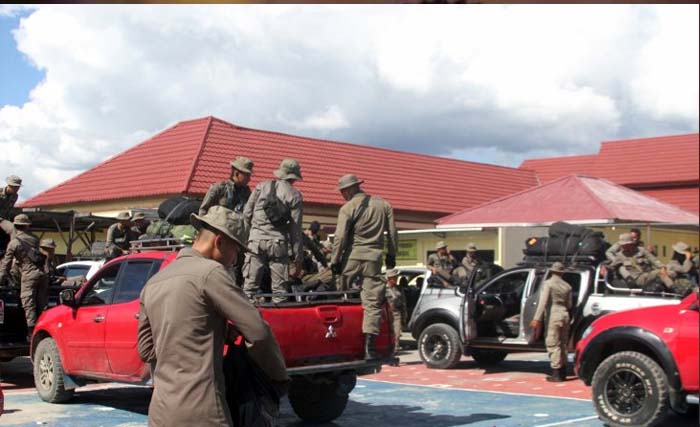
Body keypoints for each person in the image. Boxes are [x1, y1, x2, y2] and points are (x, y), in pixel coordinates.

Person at [137, 206, 288, 427]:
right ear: (218, 242)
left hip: (161, 413)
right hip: (205, 413)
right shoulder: (211, 273)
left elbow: (146, 350)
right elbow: (258, 332)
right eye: (236, 250)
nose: (235, 259)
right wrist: (279, 379)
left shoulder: (153, 283)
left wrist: (215, 332)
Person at [330, 174, 398, 360]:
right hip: (374, 258)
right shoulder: (384, 205)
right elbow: (392, 233)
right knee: (372, 303)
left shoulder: (347, 208)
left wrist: (335, 261)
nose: (342, 195)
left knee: (339, 294)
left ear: (350, 189)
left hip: (352, 257)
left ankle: (338, 339)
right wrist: (391, 255)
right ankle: (369, 347)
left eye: (343, 191)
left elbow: (340, 238)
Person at [243, 159, 304, 303]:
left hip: (255, 242)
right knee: (280, 292)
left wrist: (246, 240)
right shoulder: (295, 195)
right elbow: (295, 230)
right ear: (293, 177)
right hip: (278, 245)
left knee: (249, 289)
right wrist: (298, 259)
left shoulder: (261, 186)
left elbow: (246, 214)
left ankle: (244, 322)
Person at [0, 214, 49, 339]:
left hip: (29, 274)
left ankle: (31, 334)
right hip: (43, 275)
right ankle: (44, 330)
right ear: (27, 225)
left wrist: (1, 280)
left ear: (16, 225)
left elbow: (6, 264)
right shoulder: (35, 239)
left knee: (28, 304)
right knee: (42, 304)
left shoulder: (14, 243)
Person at [529, 262, 572, 382]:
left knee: (553, 343)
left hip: (554, 315)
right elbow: (569, 304)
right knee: (563, 344)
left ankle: (556, 373)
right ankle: (563, 371)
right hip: (565, 314)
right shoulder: (567, 286)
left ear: (552, 271)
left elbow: (543, 302)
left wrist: (536, 318)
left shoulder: (548, 284)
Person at [385, 268, 405, 353]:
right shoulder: (384, 289)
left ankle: (395, 350)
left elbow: (403, 302)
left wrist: (404, 315)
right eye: (394, 277)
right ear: (389, 278)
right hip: (387, 314)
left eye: (396, 277)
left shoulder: (399, 288)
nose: (396, 279)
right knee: (388, 335)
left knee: (397, 333)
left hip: (397, 313)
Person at [0, 175, 22, 255]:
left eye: (18, 187)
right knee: (12, 228)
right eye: (15, 187)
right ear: (9, 185)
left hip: (5, 219)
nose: (17, 189)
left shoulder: (15, 196)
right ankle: (14, 251)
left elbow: (9, 210)